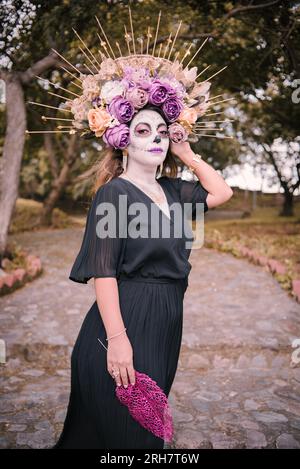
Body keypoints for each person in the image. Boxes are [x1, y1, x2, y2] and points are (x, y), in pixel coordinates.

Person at [52, 103, 233, 449]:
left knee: (143, 432)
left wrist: (186, 152)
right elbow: (103, 273)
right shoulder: (114, 194)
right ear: (124, 141)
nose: (156, 139)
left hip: (166, 323)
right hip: (128, 322)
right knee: (133, 438)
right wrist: (118, 340)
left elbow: (222, 192)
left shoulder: (173, 191)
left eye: (162, 132)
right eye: (143, 131)